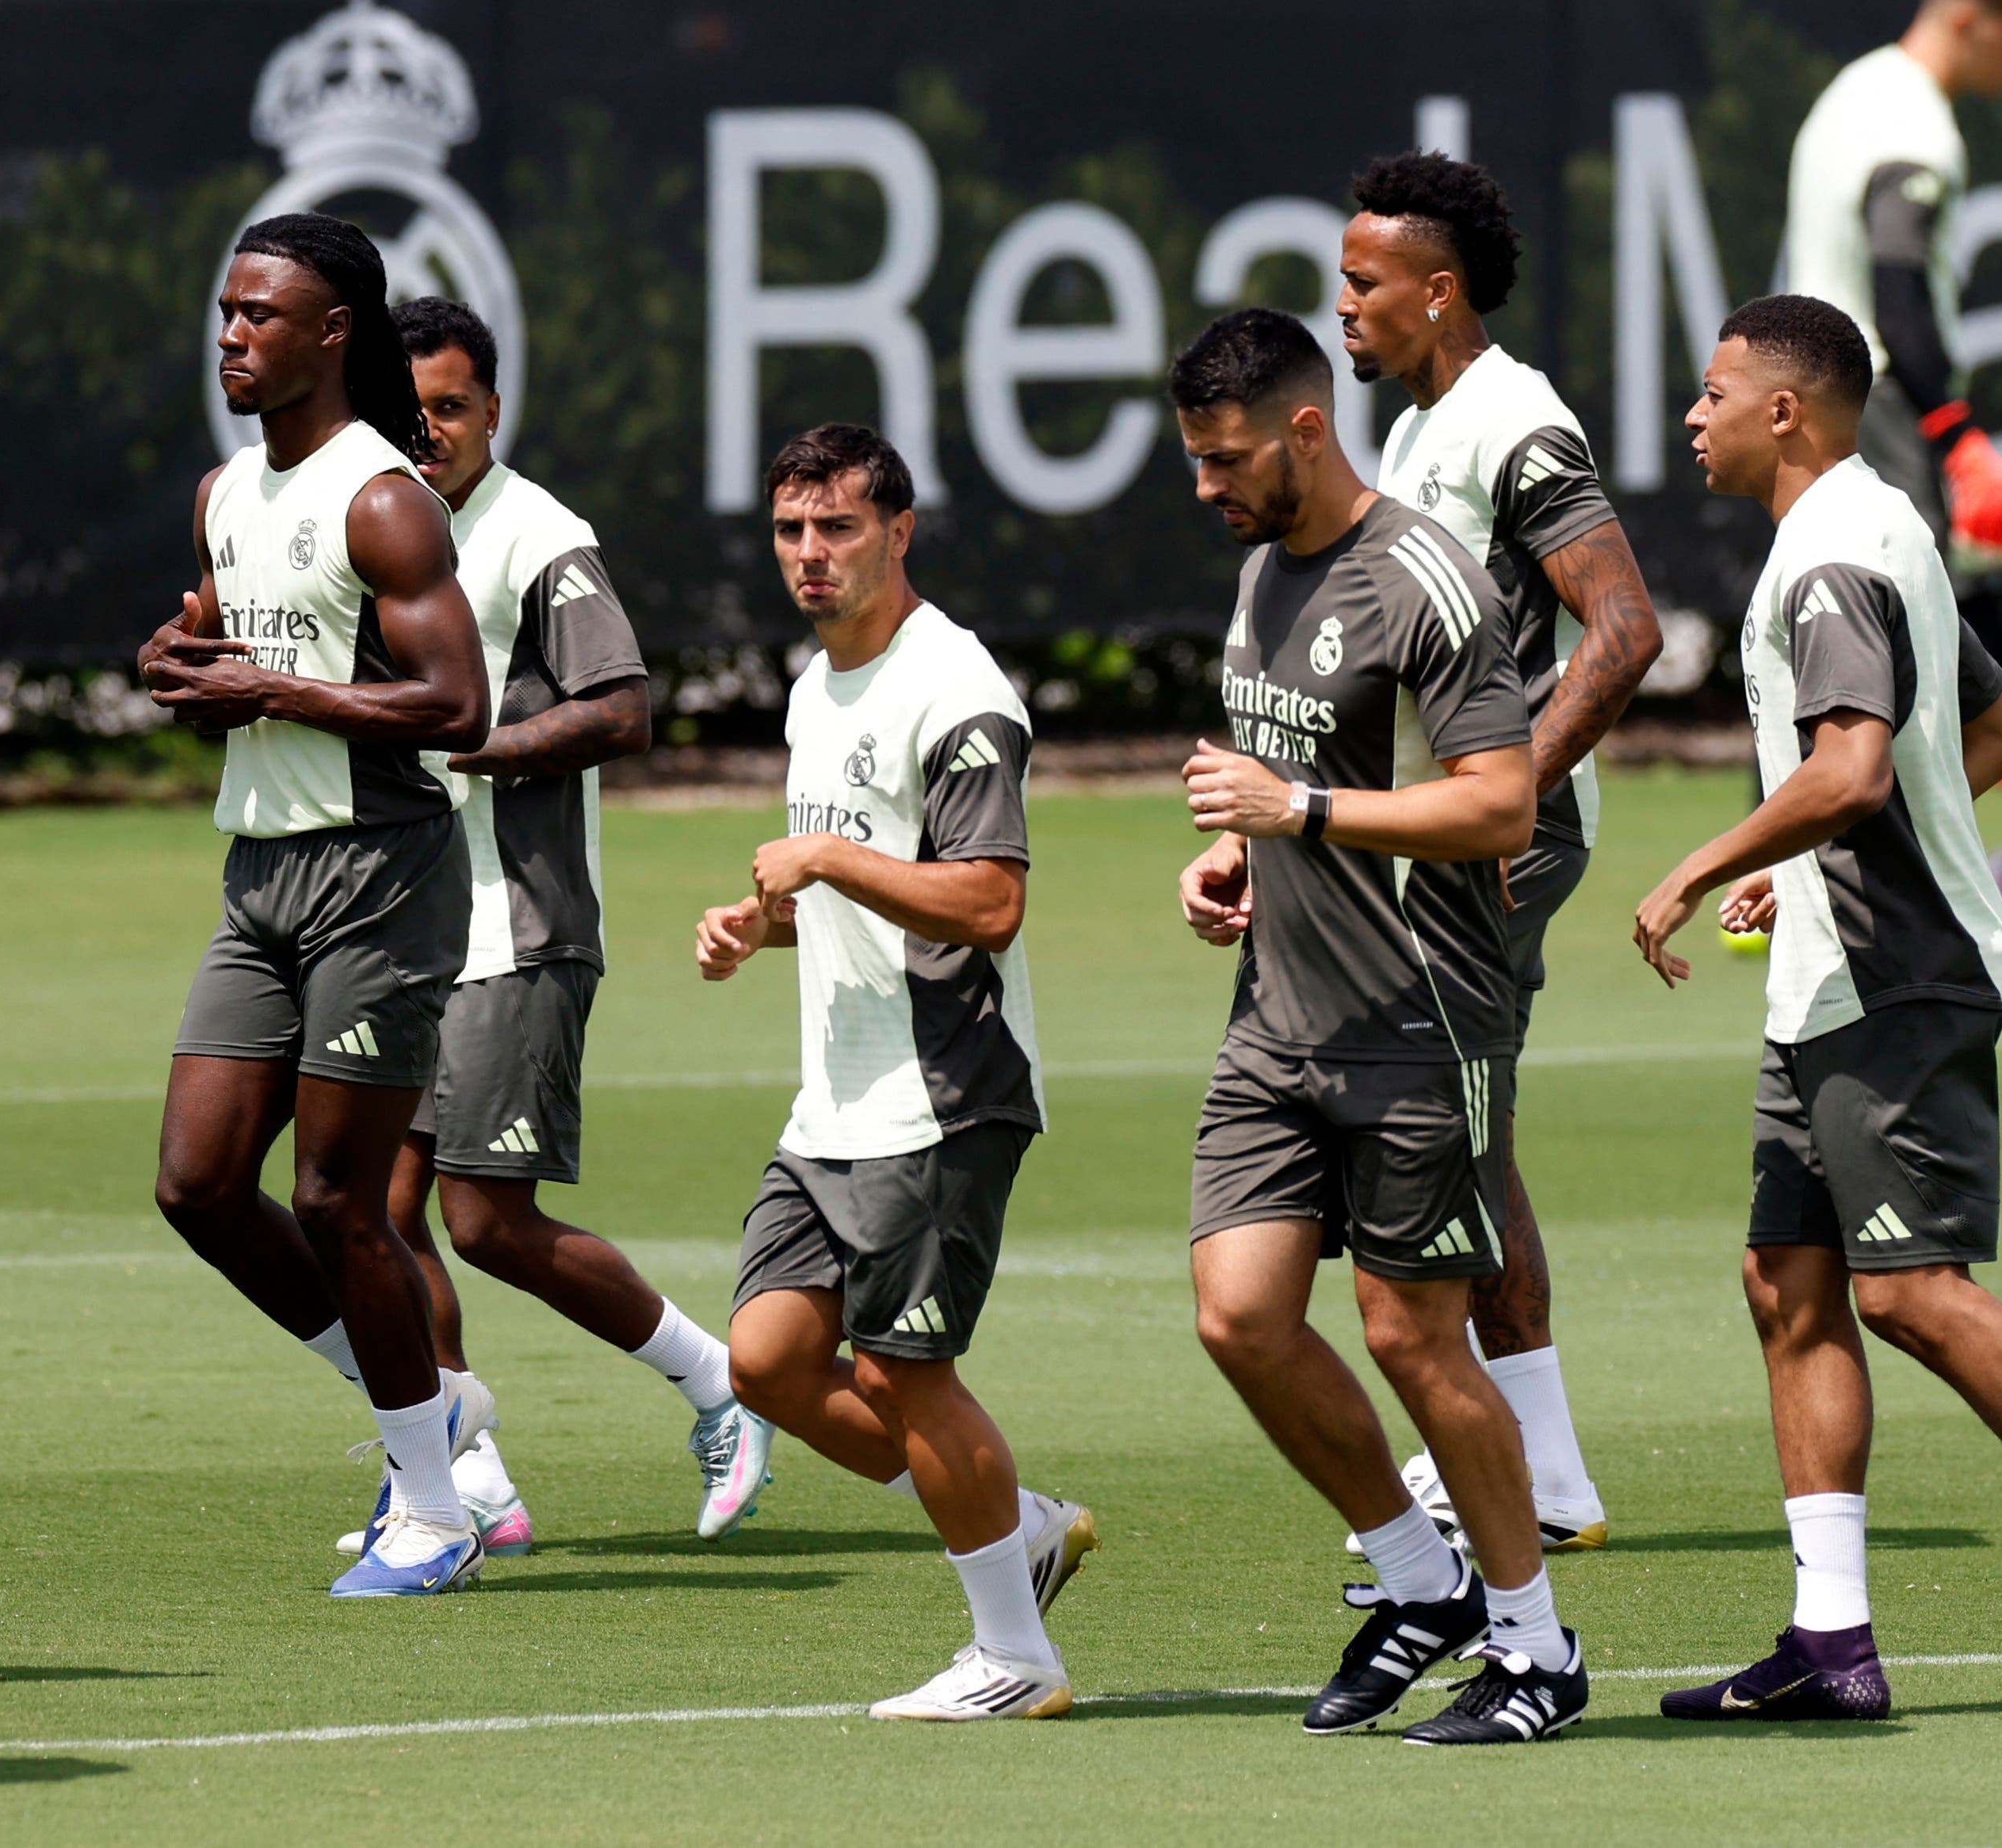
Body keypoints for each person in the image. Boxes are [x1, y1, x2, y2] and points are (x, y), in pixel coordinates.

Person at [1631, 293, 2002, 1728]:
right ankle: (1829, 1639)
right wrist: (1815, 871)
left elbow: (1850, 768)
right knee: (1785, 1284)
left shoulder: (1832, 556)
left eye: (1712, 391)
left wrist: (1711, 858)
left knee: (1909, 1291)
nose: (1692, 415)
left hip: (1895, 978)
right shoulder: (1880, 523)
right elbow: (1983, 732)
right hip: (1836, 968)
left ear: (1784, 409)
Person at [1172, 308, 1587, 1744]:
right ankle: (1422, 1582)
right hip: (1276, 1022)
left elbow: (1498, 803)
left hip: (1422, 1016)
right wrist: (1239, 852)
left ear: (1304, 429)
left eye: (1226, 459)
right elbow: (1285, 764)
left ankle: (1536, 1647)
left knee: (1416, 1343)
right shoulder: (1257, 570)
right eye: (1193, 460)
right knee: (1238, 1313)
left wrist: (1301, 814)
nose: (1209, 486)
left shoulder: (1429, 579)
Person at [325, 297, 768, 1564]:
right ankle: (465, 1468)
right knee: (375, 1206)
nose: (432, 435)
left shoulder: (539, 535)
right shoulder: (369, 524)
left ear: (494, 411)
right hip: (406, 921)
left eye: (453, 409)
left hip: (516, 923)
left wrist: (482, 743)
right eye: (410, 416)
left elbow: (624, 708)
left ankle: (718, 1383)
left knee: (484, 1219)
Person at [693, 424, 1093, 1718]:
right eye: (790, 531)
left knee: (906, 1375)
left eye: (838, 529)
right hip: (835, 1099)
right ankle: (1016, 1521)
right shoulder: (816, 688)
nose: (809, 555)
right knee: (764, 1359)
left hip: (942, 1089)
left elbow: (985, 898)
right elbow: (863, 880)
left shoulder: (956, 686)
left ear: (899, 531)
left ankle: (1014, 1655)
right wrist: (764, 924)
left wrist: (820, 866)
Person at [138, 212, 495, 1598]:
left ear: (331, 331)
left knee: (341, 1198)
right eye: (226, 312)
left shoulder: (384, 495)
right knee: (197, 1183)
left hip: (380, 877)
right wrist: (187, 662)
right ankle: (422, 1401)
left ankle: (433, 1506)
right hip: (261, 876)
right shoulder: (228, 493)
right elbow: (241, 658)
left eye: (259, 315)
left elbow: (455, 705)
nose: (232, 335)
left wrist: (263, 688)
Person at [1334, 149, 1665, 1555]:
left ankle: (1513, 1462)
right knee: (1472, 1128)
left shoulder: (1514, 425)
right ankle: (1543, 1462)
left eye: (1362, 283)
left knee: (1430, 1121)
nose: (1342, 307)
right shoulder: (1420, 430)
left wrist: (1502, 800)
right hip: (1445, 841)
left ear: (1438, 290)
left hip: (1494, 849)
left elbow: (1624, 626)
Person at [1780, 0, 2002, 636]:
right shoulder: (1916, 129)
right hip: (1879, 405)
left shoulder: (1854, 90)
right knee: (1926, 639)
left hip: (1812, 401)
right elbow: (1896, 294)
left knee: (1828, 633)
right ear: (1967, 20)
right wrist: (1958, 435)